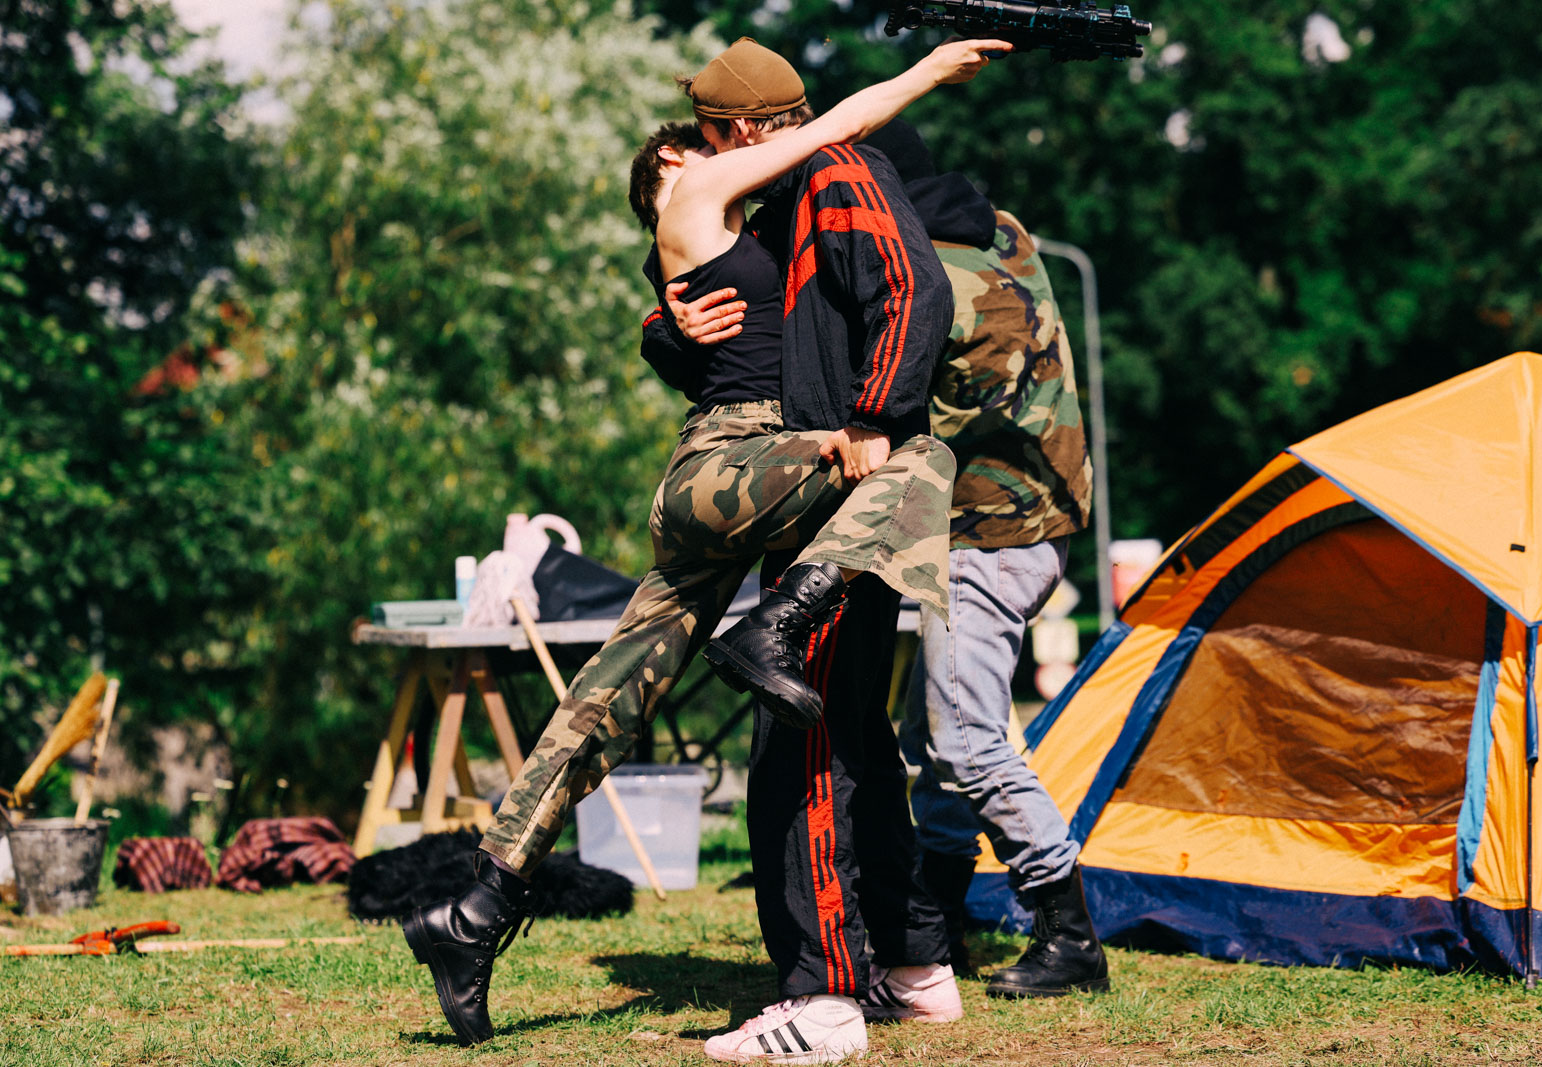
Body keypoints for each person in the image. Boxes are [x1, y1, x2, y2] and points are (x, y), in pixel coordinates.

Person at [400, 38, 1007, 1055]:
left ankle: (476, 906)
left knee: (604, 699)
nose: (702, 159)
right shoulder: (711, 188)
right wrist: (928, 72)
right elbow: (835, 129)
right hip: (736, 464)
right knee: (917, 460)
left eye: (701, 143)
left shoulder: (748, 214)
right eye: (683, 154)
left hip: (728, 477)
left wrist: (668, 325)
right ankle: (780, 622)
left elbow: (764, 289)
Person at [664, 118, 1109, 1000]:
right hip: (1021, 521)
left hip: (993, 530)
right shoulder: (1000, 230)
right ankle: (938, 916)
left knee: (965, 736)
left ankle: (1069, 930)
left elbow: (879, 384)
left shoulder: (934, 276)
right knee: (932, 734)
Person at [640, 38, 1016, 1062]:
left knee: (800, 747)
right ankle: (916, 967)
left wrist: (873, 416)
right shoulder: (790, 192)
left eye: (709, 136)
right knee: (850, 730)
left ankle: (826, 997)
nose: (706, 154)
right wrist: (669, 327)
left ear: (741, 129)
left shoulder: (839, 173)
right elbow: (748, 337)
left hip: (843, 494)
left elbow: (913, 290)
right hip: (825, 498)